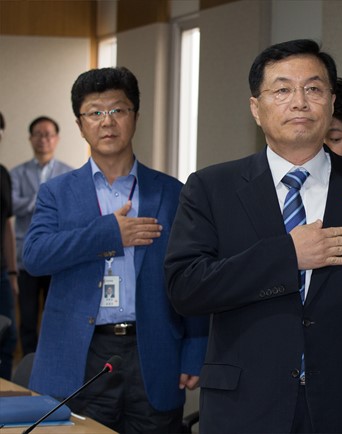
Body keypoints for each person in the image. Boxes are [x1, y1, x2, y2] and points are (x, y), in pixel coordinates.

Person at [165, 39, 342, 433]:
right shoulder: (212, 187)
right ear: (256, 108)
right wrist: (287, 256)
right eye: (282, 90)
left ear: (331, 102)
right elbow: (185, 288)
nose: (300, 102)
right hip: (244, 411)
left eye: (313, 88)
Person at [22, 67, 208, 433]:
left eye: (118, 110)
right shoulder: (57, 193)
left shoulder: (171, 192)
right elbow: (35, 256)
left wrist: (195, 349)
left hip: (152, 351)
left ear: (135, 116)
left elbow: (192, 274)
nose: (107, 121)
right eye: (95, 112)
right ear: (80, 125)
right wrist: (108, 233)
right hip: (82, 355)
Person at [11, 116, 73, 356]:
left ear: (56, 139)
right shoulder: (17, 173)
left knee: (55, 314)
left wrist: (34, 201)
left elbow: (71, 211)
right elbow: (12, 206)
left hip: (57, 257)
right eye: (38, 134)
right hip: (25, 257)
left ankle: (53, 359)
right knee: (27, 317)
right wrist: (44, 199)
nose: (43, 139)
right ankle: (28, 363)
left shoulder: (69, 174)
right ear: (30, 138)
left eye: (48, 134)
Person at [0, 111, 19, 380]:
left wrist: (13, 273)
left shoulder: (3, 173)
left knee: (8, 335)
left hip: (1, 272)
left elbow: (7, 225)